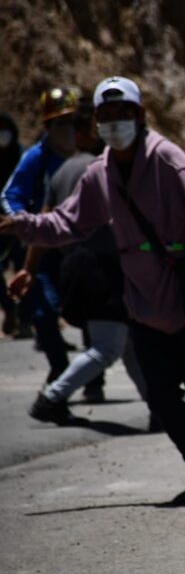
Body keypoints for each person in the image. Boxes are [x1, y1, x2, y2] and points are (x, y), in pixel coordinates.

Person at [0, 76, 185, 506]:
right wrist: (23, 225)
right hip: (143, 305)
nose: (114, 123)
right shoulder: (99, 173)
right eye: (105, 116)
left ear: (140, 116)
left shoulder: (165, 157)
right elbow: (69, 223)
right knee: (162, 398)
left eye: (122, 114)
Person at [9, 99, 150, 426]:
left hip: (73, 267)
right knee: (107, 347)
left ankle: (161, 406)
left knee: (126, 343)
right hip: (104, 268)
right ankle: (52, 397)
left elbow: (45, 224)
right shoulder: (101, 168)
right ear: (91, 132)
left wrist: (29, 268)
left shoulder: (60, 173)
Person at [1, 86, 82, 379]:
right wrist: (24, 223)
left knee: (89, 309)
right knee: (43, 310)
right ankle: (59, 369)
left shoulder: (90, 155)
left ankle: (91, 375)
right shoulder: (36, 158)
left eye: (71, 121)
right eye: (59, 123)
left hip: (80, 248)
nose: (67, 129)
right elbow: (11, 196)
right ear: (47, 126)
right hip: (42, 249)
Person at [0, 112, 24, 335]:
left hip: (22, 221)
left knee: (23, 267)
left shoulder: (22, 156)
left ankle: (25, 319)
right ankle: (9, 308)